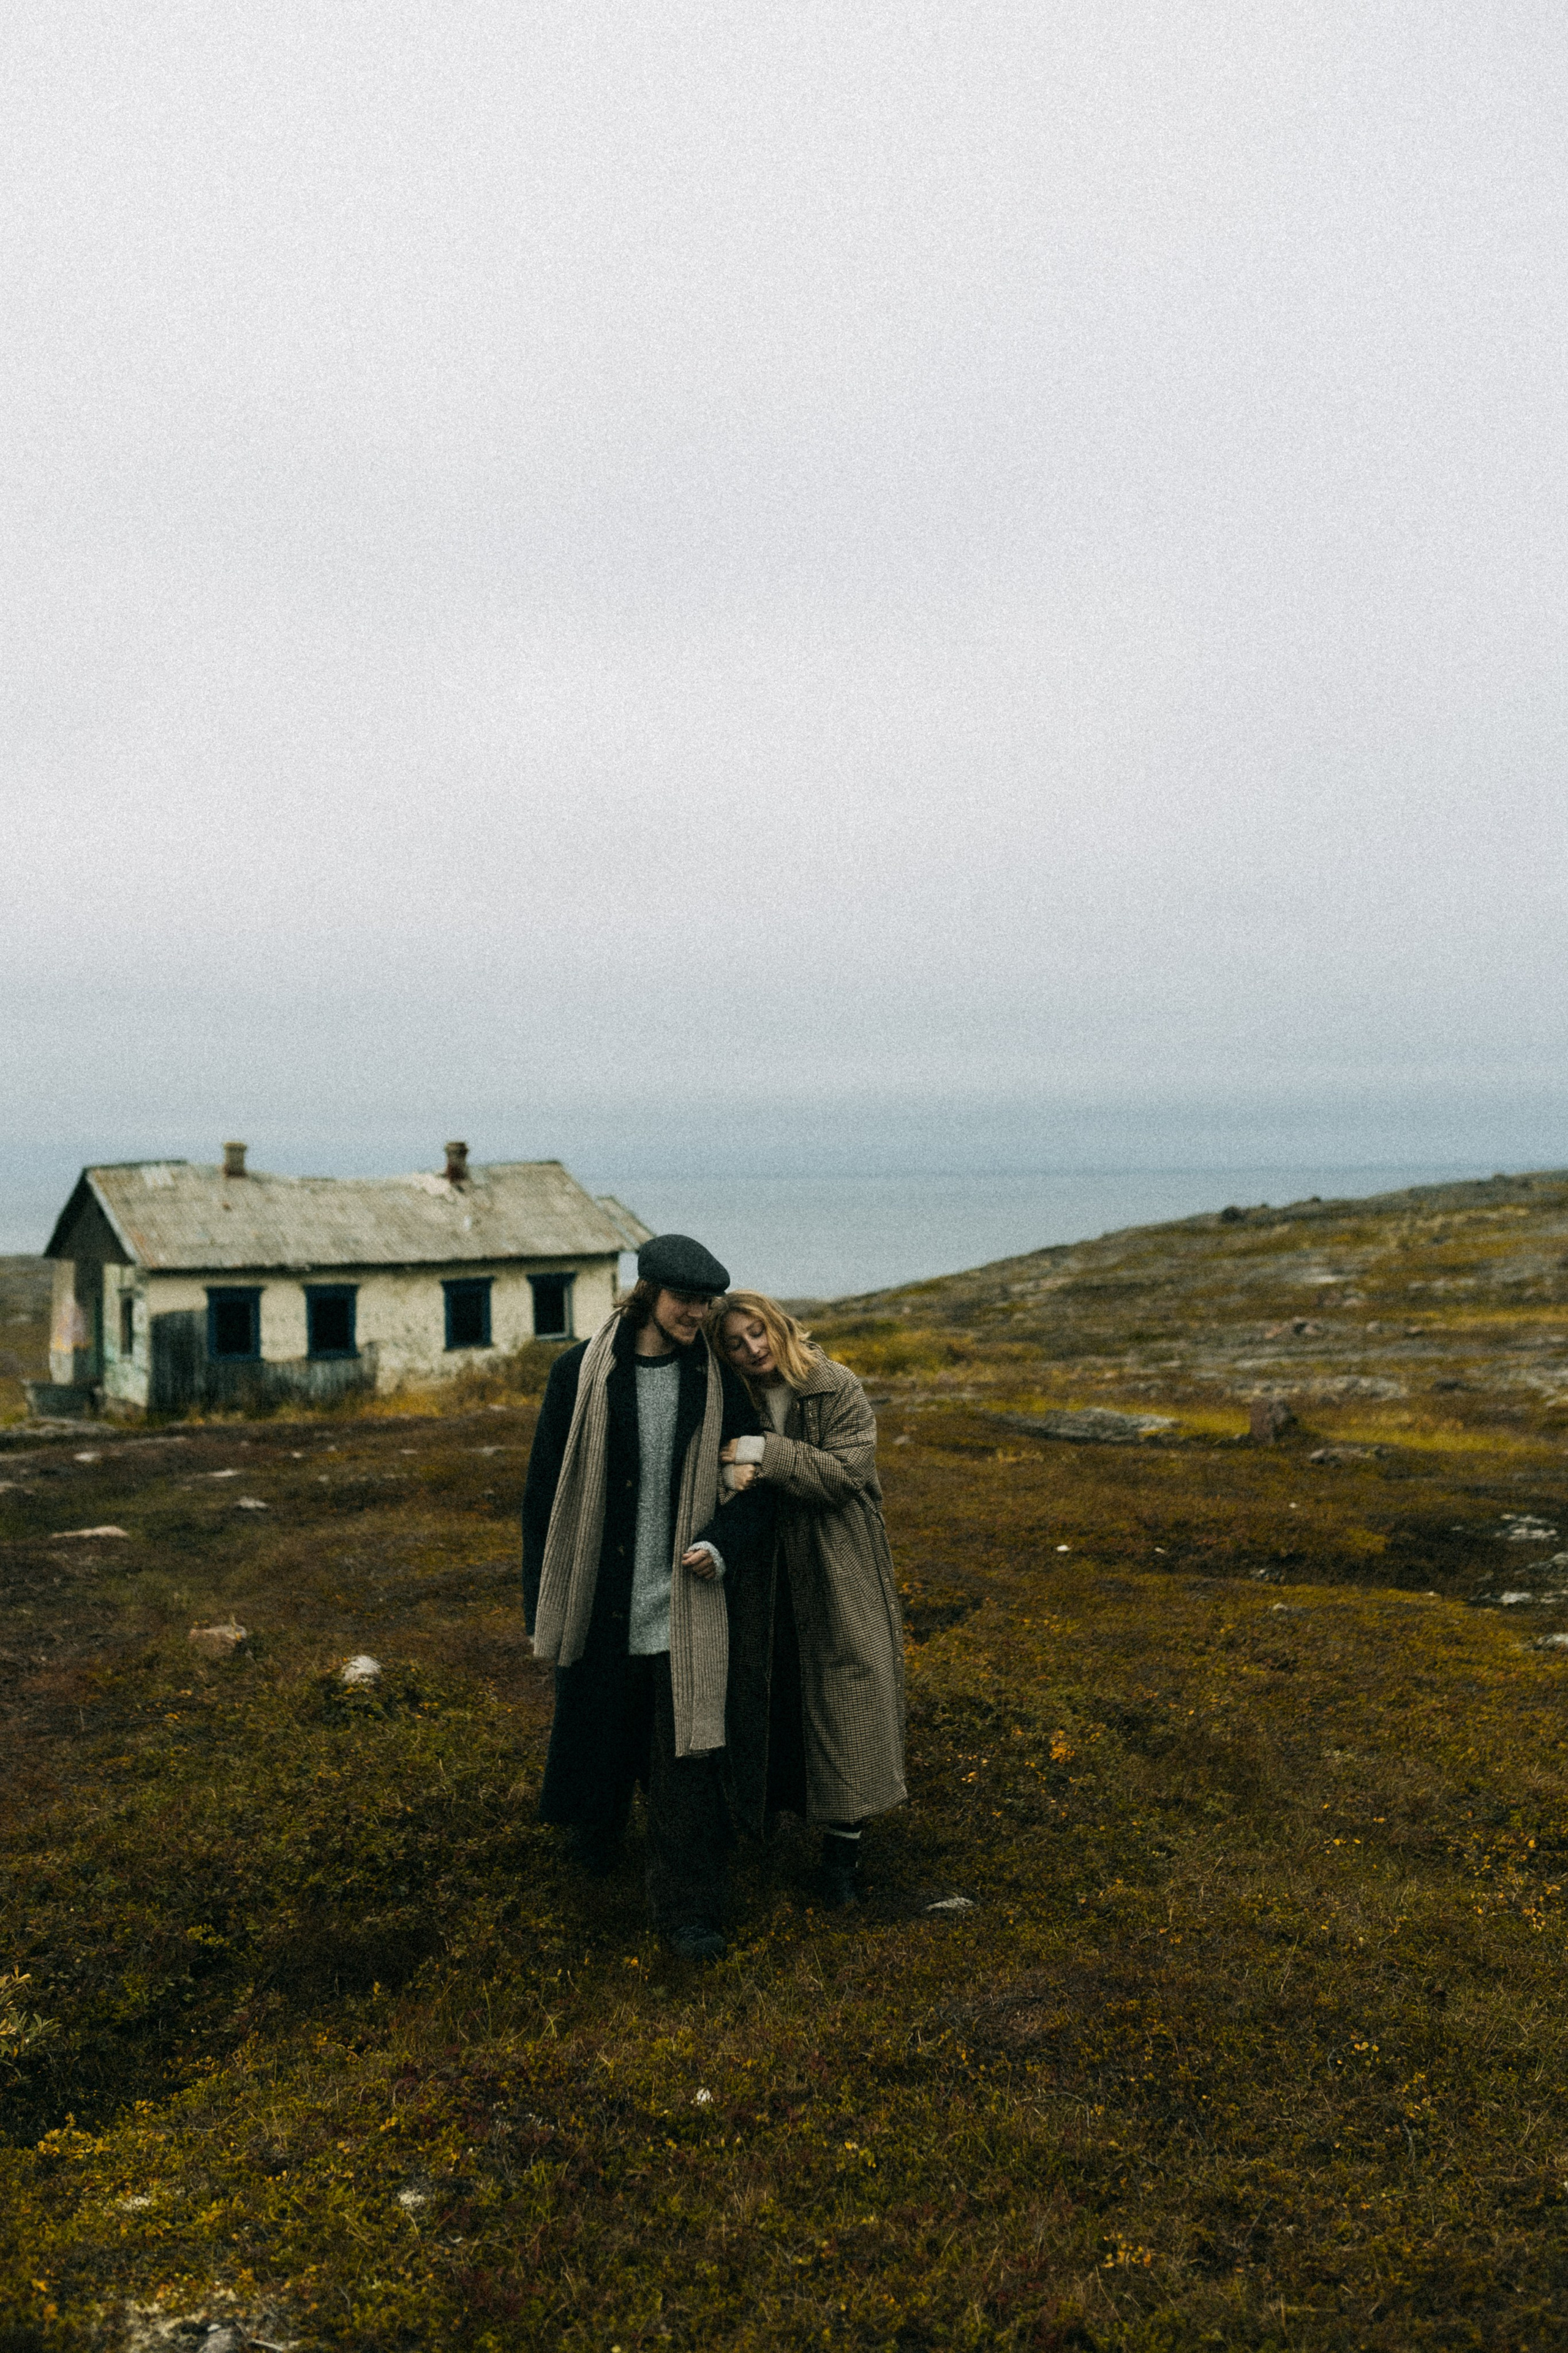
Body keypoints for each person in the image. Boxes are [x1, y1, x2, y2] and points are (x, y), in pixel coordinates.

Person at [522, 1235, 773, 1962]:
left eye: (705, 1302)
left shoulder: (722, 1382)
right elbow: (544, 1492)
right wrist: (542, 1592)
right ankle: (592, 1845)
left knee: (686, 1764)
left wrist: (724, 1542)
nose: (696, 1313)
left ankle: (688, 1910)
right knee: (598, 1734)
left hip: (685, 1607)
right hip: (598, 1601)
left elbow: (753, 1489)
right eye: (683, 1300)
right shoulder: (578, 1372)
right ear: (648, 1293)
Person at [708, 1289, 907, 1906]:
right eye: (735, 1343)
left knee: (846, 1694)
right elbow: (720, 1475)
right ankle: (762, 1827)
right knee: (774, 1689)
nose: (752, 1349)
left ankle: (841, 1862)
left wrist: (765, 1453)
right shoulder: (730, 1397)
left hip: (838, 1563)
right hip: (765, 1573)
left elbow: (843, 1475)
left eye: (758, 1332)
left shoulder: (835, 1385)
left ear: (779, 1325)